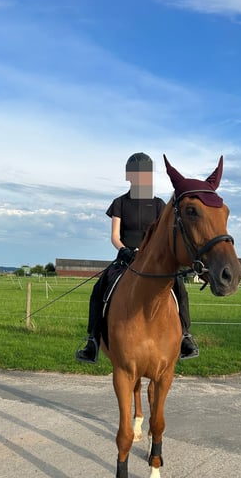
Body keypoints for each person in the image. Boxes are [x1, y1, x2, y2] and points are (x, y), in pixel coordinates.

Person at [75, 152, 200, 363]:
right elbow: (115, 236)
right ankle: (93, 340)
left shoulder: (160, 205)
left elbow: (163, 237)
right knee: (99, 287)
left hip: (153, 261)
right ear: (129, 176)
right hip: (126, 258)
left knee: (179, 286)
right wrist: (124, 250)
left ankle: (185, 336)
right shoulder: (119, 203)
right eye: (137, 174)